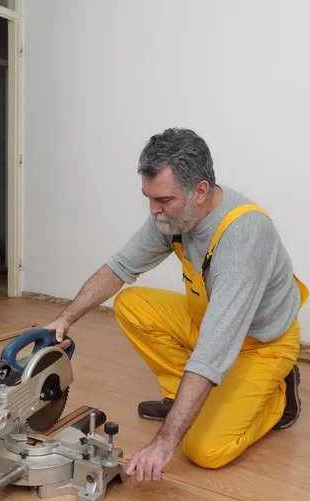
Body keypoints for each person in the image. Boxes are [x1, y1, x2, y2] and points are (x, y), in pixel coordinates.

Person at [44, 128, 309, 482]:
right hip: (211, 321)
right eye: (148, 198)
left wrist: (164, 443)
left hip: (262, 343)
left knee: (203, 451)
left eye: (164, 200)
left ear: (200, 190)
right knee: (132, 304)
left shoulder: (243, 237)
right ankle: (181, 402)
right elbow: (121, 267)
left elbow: (212, 353)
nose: (154, 210)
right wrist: (65, 319)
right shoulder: (173, 216)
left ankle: (278, 398)